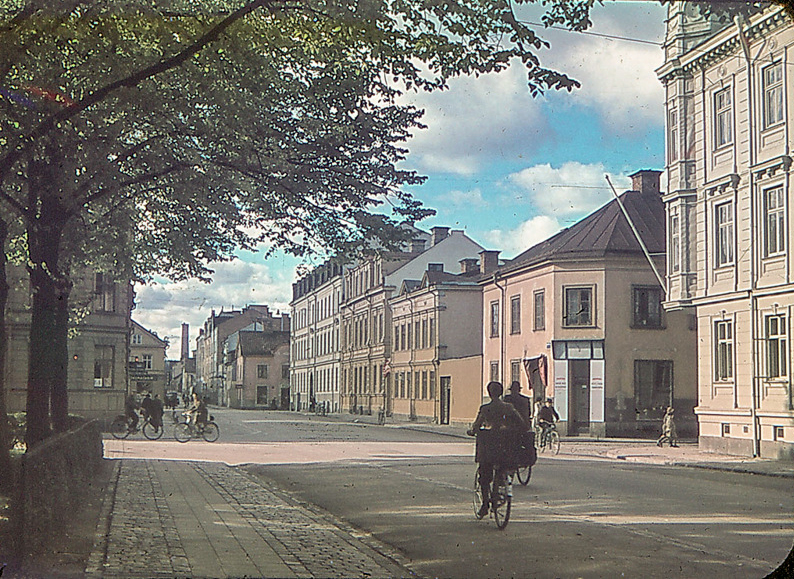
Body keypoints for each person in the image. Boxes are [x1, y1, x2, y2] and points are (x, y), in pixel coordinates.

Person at [467, 381, 525, 519]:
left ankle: (485, 503)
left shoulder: (485, 408)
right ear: (500, 393)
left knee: (484, 476)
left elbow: (476, 426)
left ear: (489, 393)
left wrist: (472, 431)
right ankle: (503, 485)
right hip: (506, 447)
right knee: (505, 468)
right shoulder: (509, 408)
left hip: (489, 448)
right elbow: (521, 423)